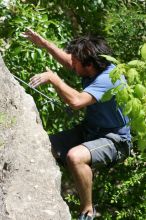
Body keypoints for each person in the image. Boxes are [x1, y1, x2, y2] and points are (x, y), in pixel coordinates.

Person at [23, 29, 131, 220]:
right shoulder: (94, 65)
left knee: (75, 156)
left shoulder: (108, 79)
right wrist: (44, 43)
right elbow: (69, 61)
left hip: (114, 140)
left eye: (76, 61)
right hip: (89, 131)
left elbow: (76, 101)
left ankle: (87, 210)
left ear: (88, 65)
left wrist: (54, 79)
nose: (71, 64)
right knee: (40, 145)